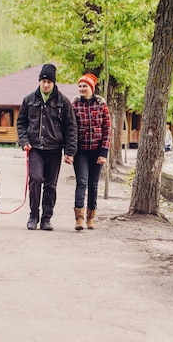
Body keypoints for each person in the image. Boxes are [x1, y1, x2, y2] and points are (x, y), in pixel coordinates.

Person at [16, 64, 78, 231]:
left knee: (51, 185)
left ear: (53, 83)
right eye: (43, 81)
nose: (45, 85)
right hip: (35, 147)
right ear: (39, 81)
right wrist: (24, 141)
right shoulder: (29, 100)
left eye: (49, 82)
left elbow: (71, 127)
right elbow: (21, 123)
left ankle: (46, 218)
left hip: (54, 149)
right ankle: (33, 216)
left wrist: (70, 151)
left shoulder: (63, 102)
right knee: (35, 179)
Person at [71, 73, 111, 230]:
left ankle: (91, 218)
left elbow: (107, 129)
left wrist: (104, 153)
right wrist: (70, 151)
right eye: (80, 86)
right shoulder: (74, 106)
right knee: (82, 182)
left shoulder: (101, 105)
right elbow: (71, 129)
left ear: (91, 88)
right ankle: (79, 218)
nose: (82, 89)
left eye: (84, 86)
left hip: (97, 151)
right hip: (80, 151)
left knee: (93, 184)